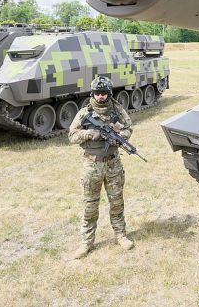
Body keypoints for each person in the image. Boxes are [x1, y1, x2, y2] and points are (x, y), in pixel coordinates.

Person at [68, 75, 134, 259]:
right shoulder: (84, 113)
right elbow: (72, 136)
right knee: (90, 205)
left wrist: (119, 134)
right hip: (92, 165)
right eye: (98, 93)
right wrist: (90, 134)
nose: (101, 97)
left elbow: (129, 128)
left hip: (113, 163)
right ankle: (86, 243)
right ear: (93, 93)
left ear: (109, 93)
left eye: (104, 93)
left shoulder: (118, 110)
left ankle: (121, 236)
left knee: (117, 202)